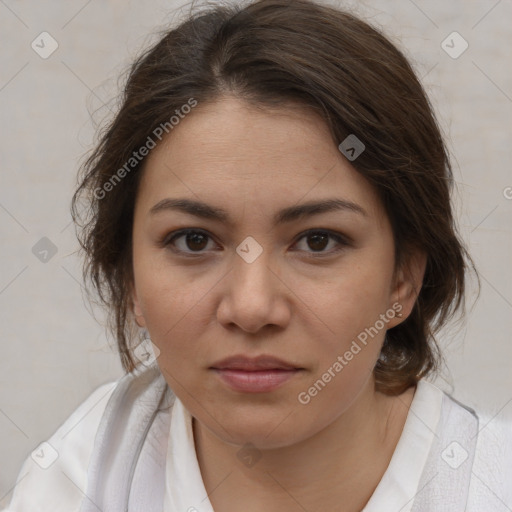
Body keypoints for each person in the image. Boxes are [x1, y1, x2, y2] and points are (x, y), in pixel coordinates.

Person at [3, 0, 512, 511]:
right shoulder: (76, 481)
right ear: (130, 276)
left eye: (318, 241)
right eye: (193, 240)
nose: (250, 308)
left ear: (404, 277)